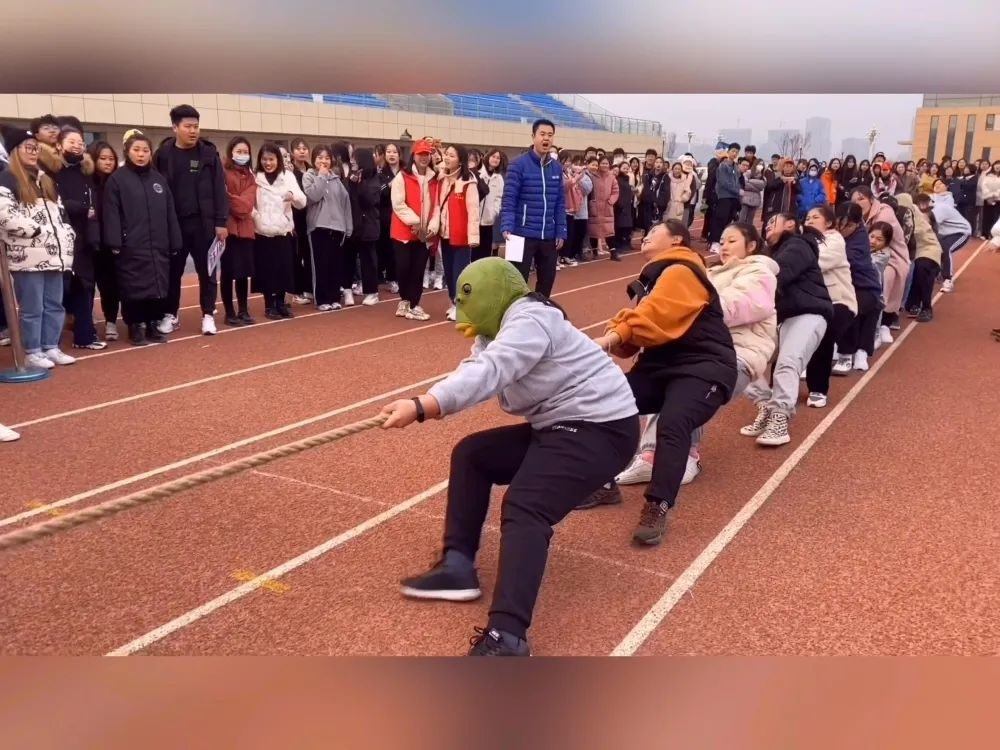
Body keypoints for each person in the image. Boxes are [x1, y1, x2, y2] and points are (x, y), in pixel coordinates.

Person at [381, 257, 639, 656]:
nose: (461, 310)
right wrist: (425, 401)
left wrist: (423, 406)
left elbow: (493, 370)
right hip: (561, 425)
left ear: (494, 292)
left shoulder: (531, 319)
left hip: (602, 430)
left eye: (467, 296)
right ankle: (457, 567)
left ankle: (508, 637)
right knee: (473, 454)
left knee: (526, 505)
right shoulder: (497, 330)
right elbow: (476, 364)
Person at [589, 219, 738, 545]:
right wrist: (617, 338)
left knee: (673, 421)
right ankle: (604, 482)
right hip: (659, 368)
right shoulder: (654, 278)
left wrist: (609, 339)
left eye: (654, 232)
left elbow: (654, 315)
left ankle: (657, 505)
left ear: (676, 241)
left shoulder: (682, 270)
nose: (645, 236)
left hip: (703, 367)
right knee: (605, 403)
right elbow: (639, 335)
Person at [613, 221, 778, 490]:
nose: (724, 246)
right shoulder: (705, 272)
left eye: (732, 241)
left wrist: (682, 306)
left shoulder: (760, 273)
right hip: (691, 351)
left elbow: (734, 307)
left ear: (751, 246)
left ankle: (688, 455)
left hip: (737, 354)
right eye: (721, 241)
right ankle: (649, 455)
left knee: (688, 390)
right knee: (663, 371)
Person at [741, 213, 833, 446]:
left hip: (808, 312)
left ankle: (780, 418)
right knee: (744, 359)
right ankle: (765, 405)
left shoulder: (798, 245)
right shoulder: (770, 253)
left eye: (773, 222)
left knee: (787, 362)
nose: (767, 227)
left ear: (790, 224)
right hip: (781, 318)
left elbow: (778, 274)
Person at [0, 125, 77, 369]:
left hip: (54, 254)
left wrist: (67, 234)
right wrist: (36, 231)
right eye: (28, 148)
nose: (34, 152)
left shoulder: (46, 180)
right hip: (27, 257)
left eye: (36, 148)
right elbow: (5, 215)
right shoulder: (7, 179)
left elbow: (61, 214)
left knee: (55, 304)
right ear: (15, 151)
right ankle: (32, 351)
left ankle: (50, 346)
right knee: (32, 307)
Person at [152, 104, 229, 336]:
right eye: (188, 126)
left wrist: (221, 221)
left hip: (203, 224)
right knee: (173, 272)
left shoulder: (208, 154)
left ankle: (208, 314)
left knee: (207, 271)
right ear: (175, 127)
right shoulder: (163, 154)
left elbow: (219, 189)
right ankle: (170, 314)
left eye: (196, 126)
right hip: (174, 224)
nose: (193, 131)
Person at [102, 131, 183, 346]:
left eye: (145, 150)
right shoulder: (117, 180)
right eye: (136, 150)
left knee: (157, 286)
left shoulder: (158, 180)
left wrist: (175, 240)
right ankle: (135, 326)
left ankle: (153, 323)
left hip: (158, 245)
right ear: (127, 152)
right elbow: (112, 213)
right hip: (131, 246)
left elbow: (170, 212)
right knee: (133, 288)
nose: (141, 154)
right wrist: (115, 241)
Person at [499, 119, 566, 296]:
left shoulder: (557, 168)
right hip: (520, 234)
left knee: (547, 281)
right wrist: (507, 226)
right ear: (533, 136)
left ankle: (539, 309)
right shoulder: (517, 164)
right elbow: (509, 199)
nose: (546, 138)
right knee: (515, 282)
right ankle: (514, 311)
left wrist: (561, 231)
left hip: (548, 235)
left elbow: (560, 202)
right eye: (542, 134)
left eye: (550, 135)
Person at [252, 142, 307, 319]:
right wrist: (256, 216)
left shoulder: (288, 176)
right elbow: (250, 202)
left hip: (283, 231)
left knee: (284, 269)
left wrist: (293, 196)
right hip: (262, 231)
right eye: (264, 159)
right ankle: (269, 305)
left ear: (278, 160)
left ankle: (281, 303)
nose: (268, 163)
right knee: (266, 270)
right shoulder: (255, 177)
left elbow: (302, 201)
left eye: (271, 159)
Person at [389, 137, 440, 321]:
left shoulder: (435, 179)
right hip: (403, 232)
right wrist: (415, 221)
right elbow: (398, 203)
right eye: (420, 154)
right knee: (404, 268)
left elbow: (437, 206)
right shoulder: (402, 176)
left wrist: (432, 226)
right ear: (414, 155)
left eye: (427, 154)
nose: (424, 157)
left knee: (418, 270)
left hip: (424, 234)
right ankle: (405, 301)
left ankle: (414, 304)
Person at [832, 202, 883, 373]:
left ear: (858, 224)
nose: (842, 229)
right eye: (839, 224)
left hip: (864, 285)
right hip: (841, 284)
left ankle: (849, 353)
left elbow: (846, 260)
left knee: (851, 307)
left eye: (848, 226)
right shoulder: (831, 231)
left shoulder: (860, 238)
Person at [221, 136, 257, 326]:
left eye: (245, 152)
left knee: (243, 272)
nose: (242, 155)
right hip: (228, 230)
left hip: (246, 229)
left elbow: (247, 205)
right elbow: (221, 197)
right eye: (239, 151)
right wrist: (238, 200)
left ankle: (243, 309)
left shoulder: (251, 176)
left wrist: (232, 199)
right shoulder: (222, 172)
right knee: (227, 272)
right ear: (231, 152)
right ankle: (229, 312)